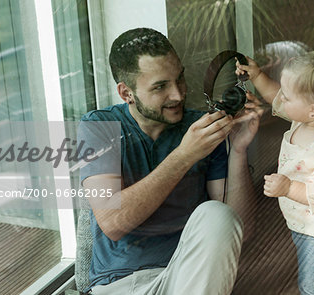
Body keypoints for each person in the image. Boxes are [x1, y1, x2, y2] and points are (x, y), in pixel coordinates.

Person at [76, 27, 262, 294]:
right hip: (125, 285)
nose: (178, 94)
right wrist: (185, 155)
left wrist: (239, 150)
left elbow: (238, 229)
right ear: (127, 93)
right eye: (161, 86)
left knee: (217, 214)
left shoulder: (202, 127)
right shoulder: (100, 126)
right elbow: (113, 223)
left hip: (189, 276)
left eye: (180, 79)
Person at [236, 49, 314, 295]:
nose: (280, 97)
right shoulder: (310, 119)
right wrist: (258, 74)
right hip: (305, 224)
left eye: (288, 96)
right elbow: (276, 97)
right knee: (310, 272)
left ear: (313, 110)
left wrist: (289, 188)